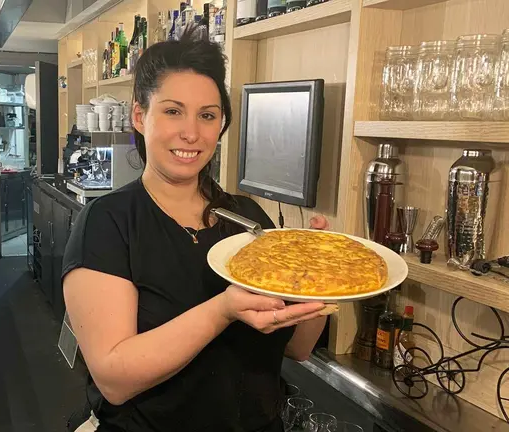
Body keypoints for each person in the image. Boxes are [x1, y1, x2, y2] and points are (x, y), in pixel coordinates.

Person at [62, 27, 331, 432]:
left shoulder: (247, 218)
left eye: (207, 115)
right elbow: (114, 378)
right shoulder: (109, 222)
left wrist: (321, 276)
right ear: (140, 116)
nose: (192, 133)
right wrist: (221, 310)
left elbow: (298, 346)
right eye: (173, 111)